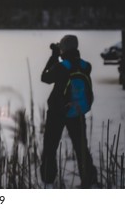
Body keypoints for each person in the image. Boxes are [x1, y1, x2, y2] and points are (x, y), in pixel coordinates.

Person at [40, 34, 98, 188]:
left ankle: (48, 178)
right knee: (81, 147)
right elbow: (72, 65)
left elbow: (45, 77)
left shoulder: (61, 67)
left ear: (63, 48)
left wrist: (53, 57)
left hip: (57, 114)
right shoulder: (86, 66)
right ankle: (89, 178)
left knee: (50, 146)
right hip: (77, 112)